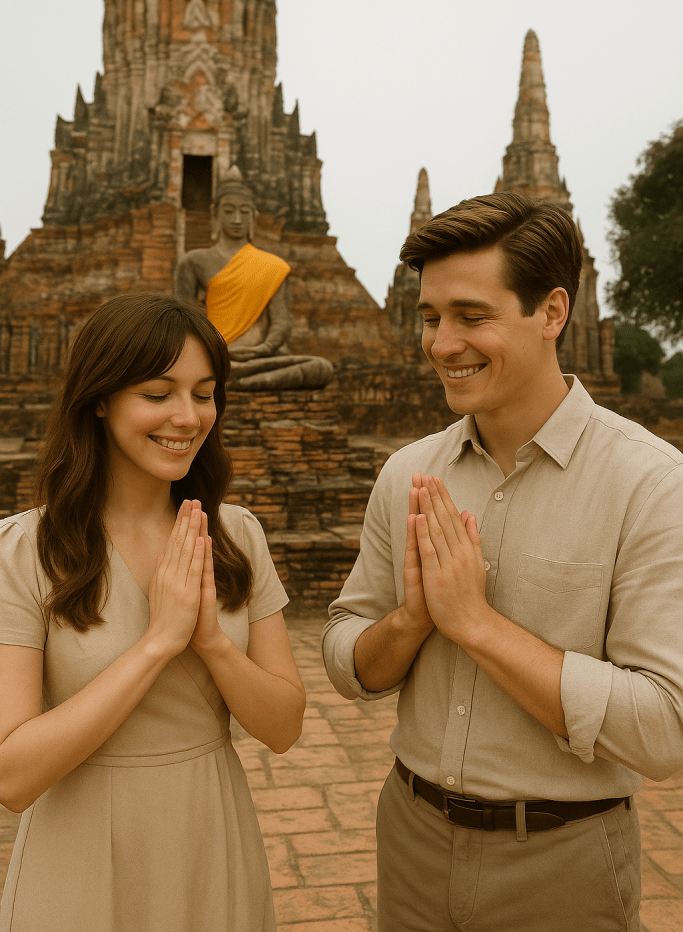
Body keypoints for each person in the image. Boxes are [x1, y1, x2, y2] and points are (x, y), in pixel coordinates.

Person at [322, 192, 683, 932]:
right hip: (411, 836)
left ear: (551, 313)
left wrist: (475, 624)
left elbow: (661, 731)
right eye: (429, 318)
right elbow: (344, 656)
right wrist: (411, 620)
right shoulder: (408, 474)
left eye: (470, 316)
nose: (440, 343)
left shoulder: (648, 483)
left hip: (561, 857)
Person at [0, 291, 306, 932]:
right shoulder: (27, 549)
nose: (188, 417)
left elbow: (282, 725)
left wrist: (213, 644)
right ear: (102, 398)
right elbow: (14, 775)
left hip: (208, 830)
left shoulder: (235, 536)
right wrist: (156, 644)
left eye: (204, 392)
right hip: (78, 848)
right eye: (158, 393)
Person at [174, 166, 334, 390]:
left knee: (320, 368)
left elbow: (282, 321)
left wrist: (264, 348)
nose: (237, 219)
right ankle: (226, 380)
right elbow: (182, 323)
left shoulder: (272, 266)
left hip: (261, 358)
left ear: (254, 217)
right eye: (229, 211)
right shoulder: (194, 261)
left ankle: (224, 384)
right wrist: (213, 351)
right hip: (216, 356)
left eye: (244, 212)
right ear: (215, 214)